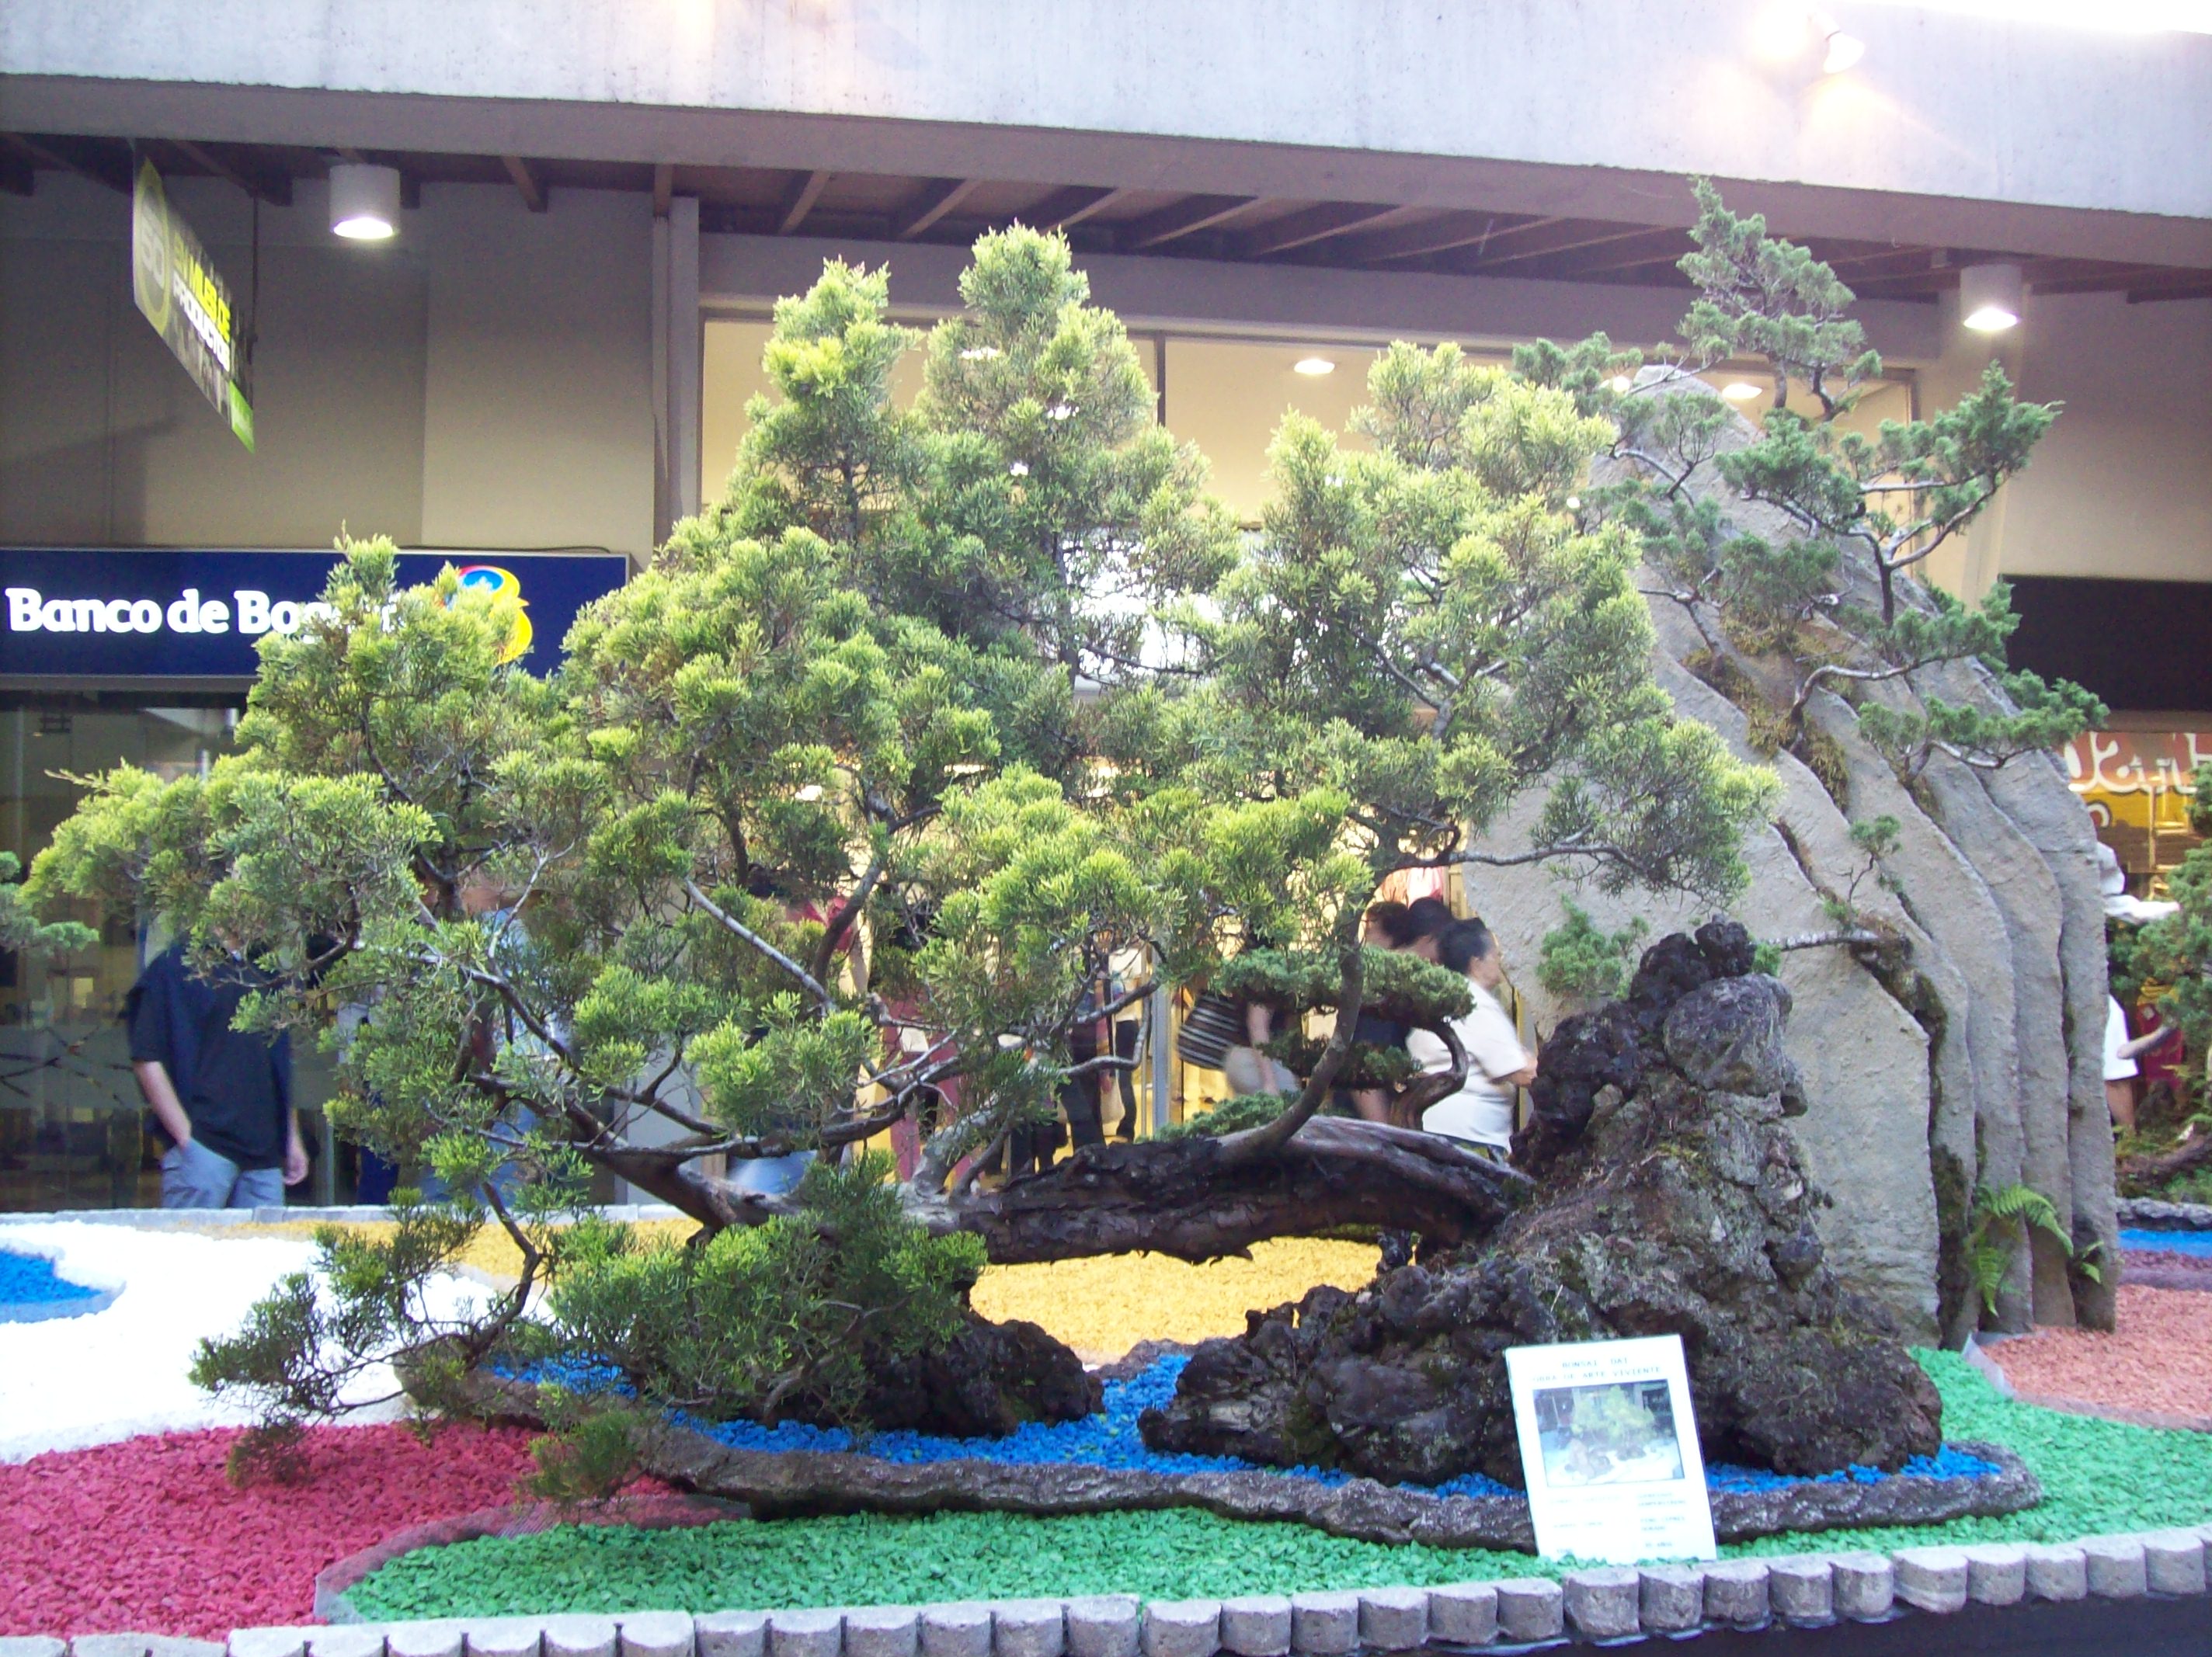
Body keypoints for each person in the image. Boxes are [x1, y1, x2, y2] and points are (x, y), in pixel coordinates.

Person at [126, 937, 306, 1209]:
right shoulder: (176, 965)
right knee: (192, 1250)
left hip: (264, 1157)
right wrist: (187, 1140)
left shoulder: (265, 969)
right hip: (204, 1149)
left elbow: (278, 1062)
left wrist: (292, 1139)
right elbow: (147, 1058)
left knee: (265, 1251)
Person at [1407, 918, 1537, 1158]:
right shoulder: (1474, 1002)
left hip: (1431, 1128)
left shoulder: (1437, 998)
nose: (1500, 961)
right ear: (1476, 964)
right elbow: (1520, 1071)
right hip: (1469, 1137)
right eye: (1495, 955)